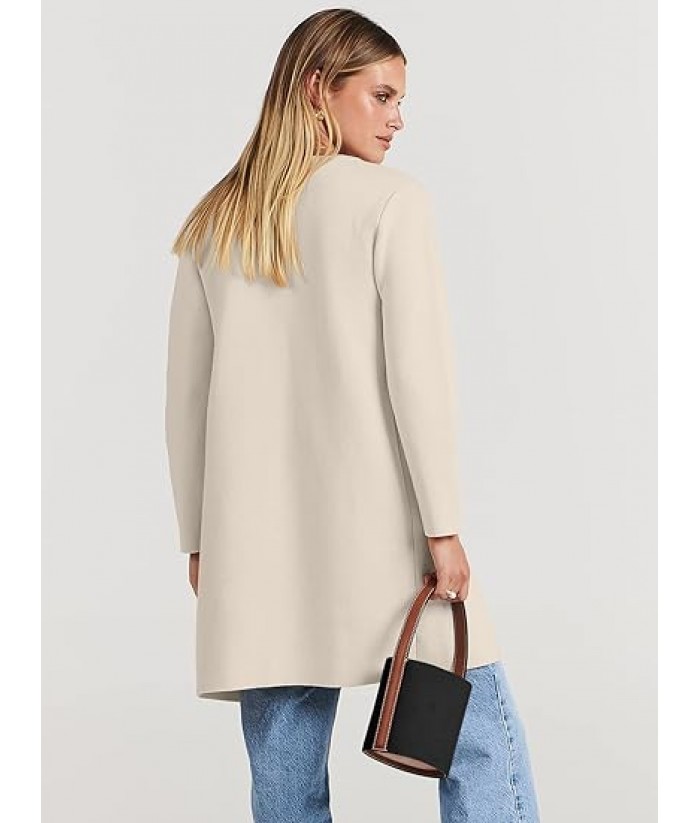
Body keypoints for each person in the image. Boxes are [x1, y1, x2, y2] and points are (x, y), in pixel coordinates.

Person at [165, 8, 541, 822]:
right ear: (316, 90)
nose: (398, 119)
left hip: (255, 551)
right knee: (476, 731)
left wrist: (199, 540)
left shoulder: (215, 221)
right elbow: (420, 379)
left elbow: (185, 401)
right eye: (381, 96)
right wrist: (443, 527)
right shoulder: (391, 203)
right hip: (388, 537)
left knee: (284, 772)